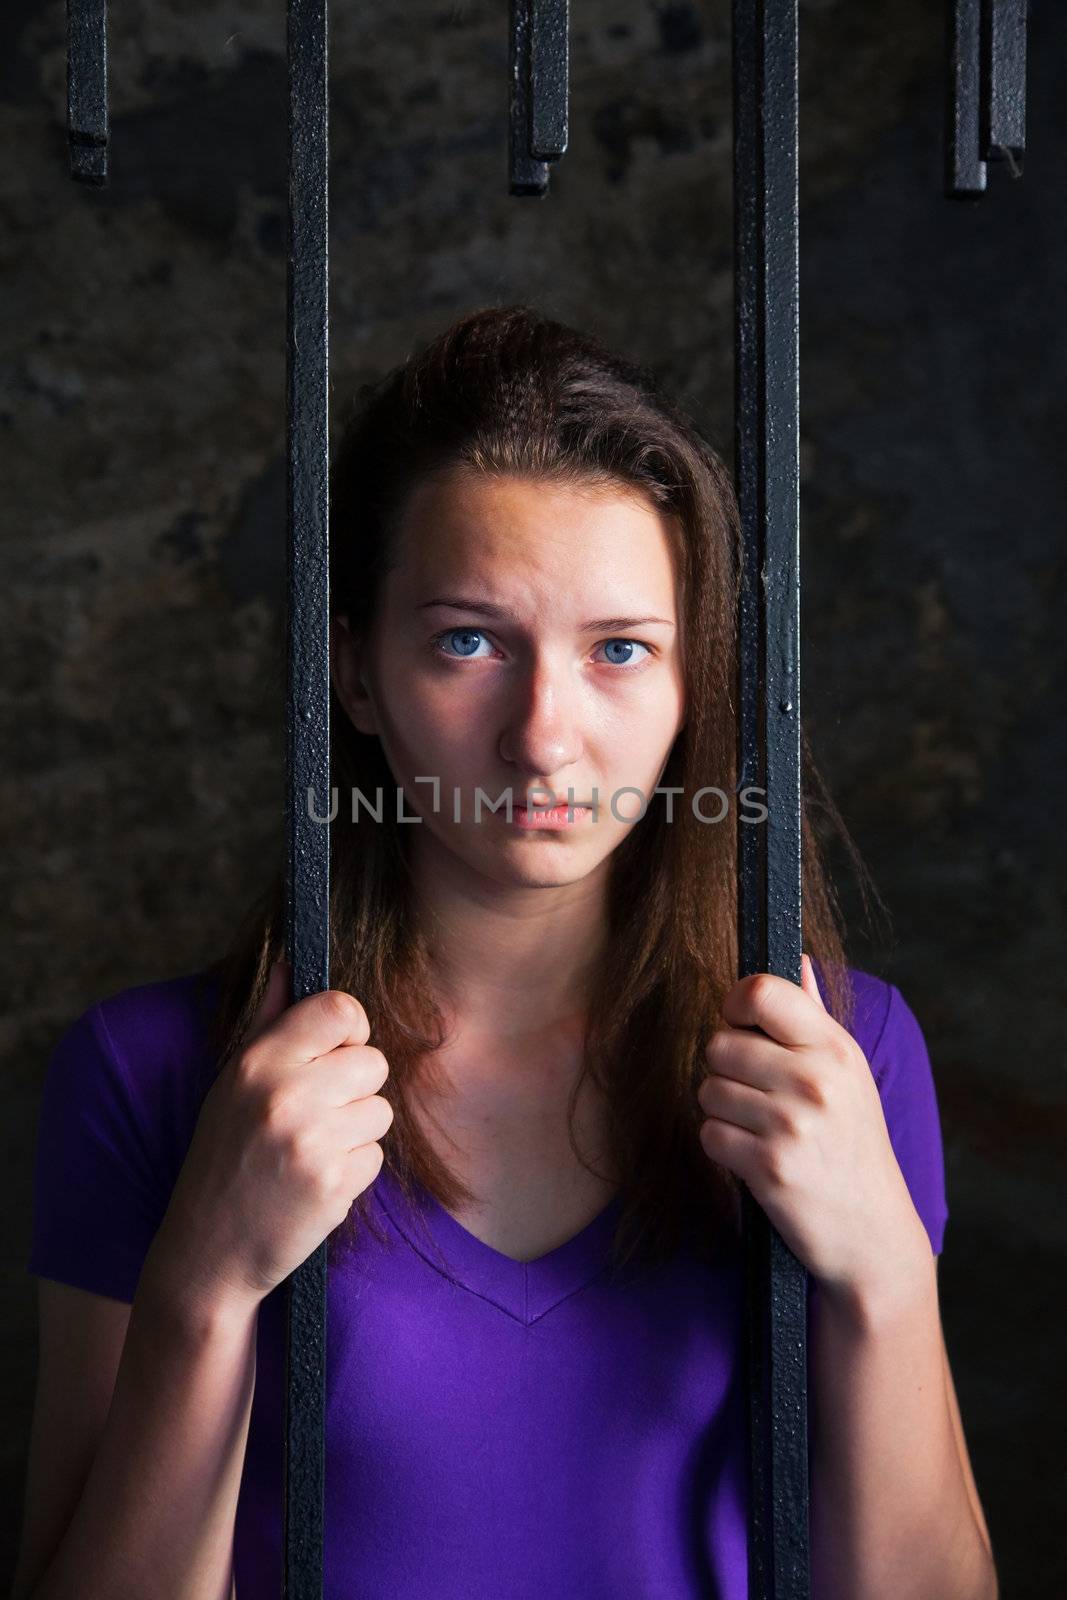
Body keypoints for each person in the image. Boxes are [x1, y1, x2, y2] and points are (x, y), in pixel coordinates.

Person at [14, 305, 997, 1599]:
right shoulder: (152, 1075)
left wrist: (878, 1272)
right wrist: (206, 1283)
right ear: (358, 675)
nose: (545, 736)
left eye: (620, 652)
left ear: (692, 682)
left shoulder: (836, 1059)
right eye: (469, 641)